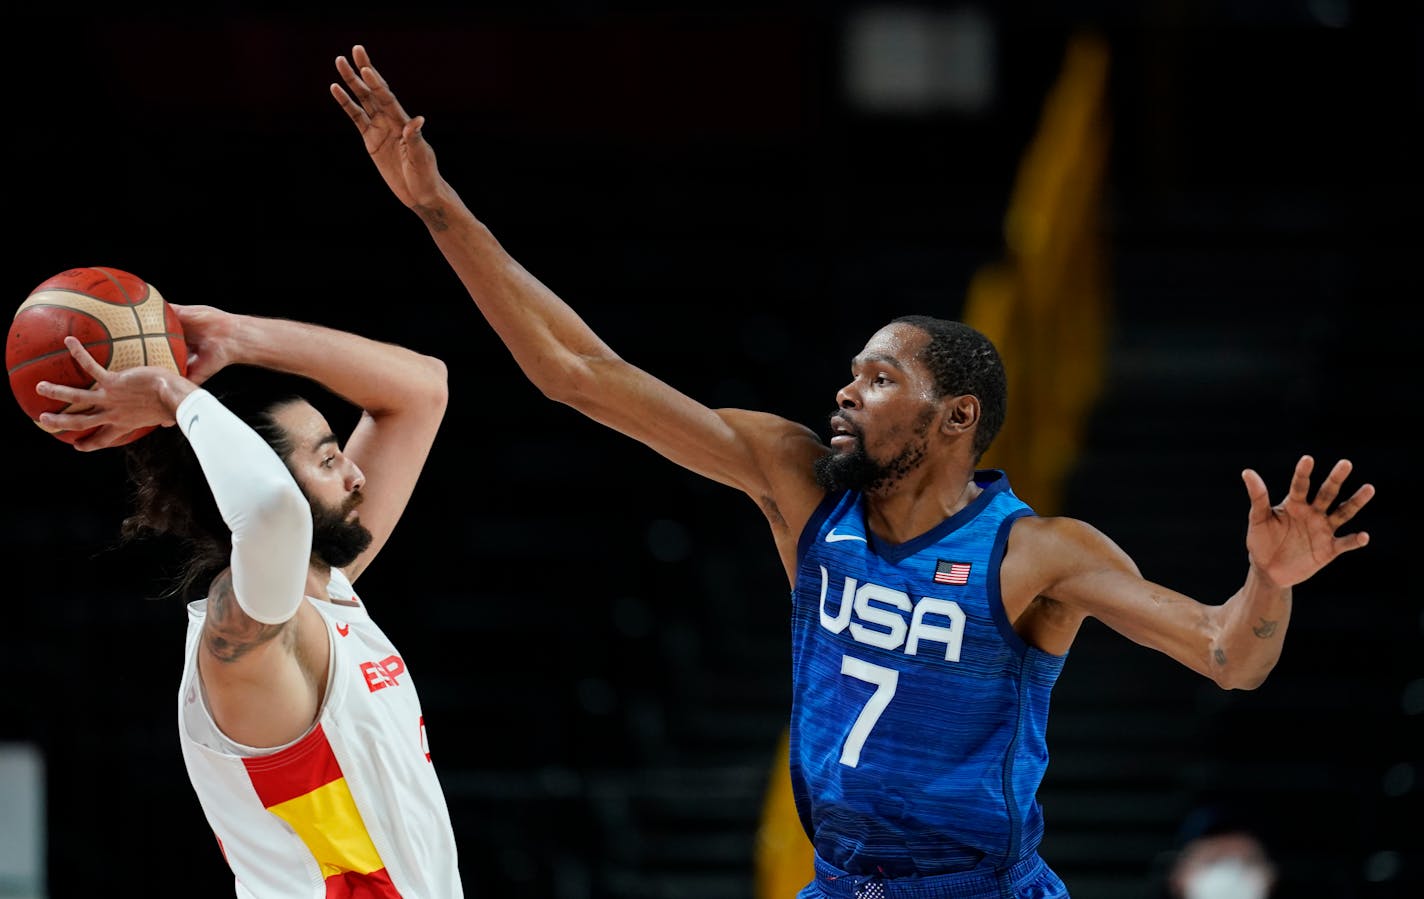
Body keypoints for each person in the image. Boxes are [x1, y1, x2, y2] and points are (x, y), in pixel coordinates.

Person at [329, 44, 1376, 899]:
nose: (844, 392)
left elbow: (1223, 654)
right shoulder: (799, 485)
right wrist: (438, 208)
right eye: (850, 373)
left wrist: (1266, 584)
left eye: (877, 378)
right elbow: (577, 374)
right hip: (837, 883)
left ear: (954, 415)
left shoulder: (1032, 556)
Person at [32, 303, 462, 897]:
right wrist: (172, 394)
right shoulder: (248, 635)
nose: (356, 475)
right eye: (329, 459)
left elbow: (421, 389)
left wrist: (240, 337)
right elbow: (269, 515)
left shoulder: (325, 592)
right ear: (276, 481)